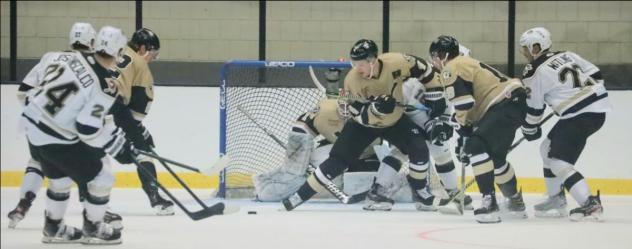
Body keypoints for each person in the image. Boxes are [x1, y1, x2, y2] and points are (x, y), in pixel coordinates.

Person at [282, 39, 442, 211]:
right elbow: (358, 115)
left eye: (360, 64)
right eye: (354, 63)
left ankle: (420, 191)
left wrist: (436, 95)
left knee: (419, 148)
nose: (357, 68)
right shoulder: (352, 80)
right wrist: (376, 110)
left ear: (373, 61)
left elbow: (426, 69)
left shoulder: (397, 62)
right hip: (362, 126)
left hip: (395, 121)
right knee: (338, 161)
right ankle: (299, 195)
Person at [21, 26, 134, 244]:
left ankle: (53, 228)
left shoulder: (71, 57)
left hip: (32, 128)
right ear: (117, 51)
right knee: (103, 177)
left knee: (60, 179)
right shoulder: (105, 85)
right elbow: (87, 129)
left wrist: (114, 138)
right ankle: (93, 229)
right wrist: (117, 148)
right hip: (56, 135)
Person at [429, 35, 528, 223]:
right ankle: (515, 201)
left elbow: (463, 104)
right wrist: (465, 134)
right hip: (512, 101)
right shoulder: (468, 64)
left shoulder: (450, 68)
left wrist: (462, 130)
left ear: (443, 55)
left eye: (434, 56)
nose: (433, 62)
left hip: (502, 103)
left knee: (476, 147)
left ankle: (489, 204)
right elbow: (472, 105)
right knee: (496, 159)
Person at [518, 27, 611, 221]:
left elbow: (535, 107)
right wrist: (570, 98)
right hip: (594, 109)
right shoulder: (567, 55)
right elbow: (597, 74)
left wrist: (529, 127)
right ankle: (556, 199)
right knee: (547, 149)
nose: (524, 53)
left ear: (536, 47)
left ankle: (589, 203)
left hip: (580, 114)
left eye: (526, 49)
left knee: (559, 160)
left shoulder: (534, 70)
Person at [253, 98, 381, 202]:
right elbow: (300, 128)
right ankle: (270, 185)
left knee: (366, 178)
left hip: (360, 158)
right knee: (292, 177)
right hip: (332, 156)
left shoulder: (380, 115)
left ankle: (310, 180)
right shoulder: (327, 112)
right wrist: (297, 164)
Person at [111, 28, 174, 215]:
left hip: (88, 108)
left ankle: (89, 201)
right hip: (113, 110)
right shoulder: (140, 65)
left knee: (89, 154)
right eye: (153, 53)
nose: (153, 58)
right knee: (142, 149)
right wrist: (140, 132)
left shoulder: (114, 53)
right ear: (143, 48)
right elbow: (138, 109)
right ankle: (156, 199)